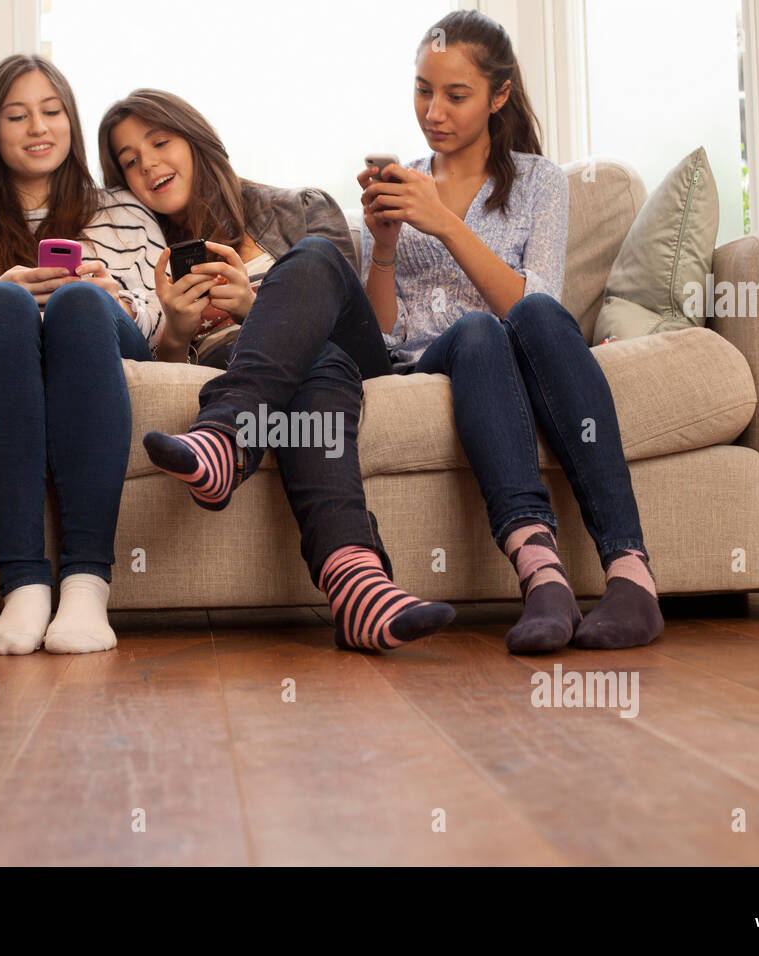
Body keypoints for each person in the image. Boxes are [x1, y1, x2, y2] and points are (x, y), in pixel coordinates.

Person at [132, 9, 664, 655]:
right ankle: (229, 436)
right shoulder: (404, 183)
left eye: (455, 95)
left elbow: (536, 309)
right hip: (398, 363)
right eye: (422, 89)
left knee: (484, 329)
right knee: (318, 259)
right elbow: (383, 332)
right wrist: (382, 248)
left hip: (492, 349)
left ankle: (615, 575)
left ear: (498, 97)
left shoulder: (538, 184)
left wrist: (443, 223)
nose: (433, 111)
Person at [99, 90, 456, 652]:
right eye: (128, 160)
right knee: (319, 364)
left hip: (355, 357)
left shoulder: (300, 208)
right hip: (287, 370)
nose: (147, 164)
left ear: (195, 140)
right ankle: (359, 586)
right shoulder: (139, 246)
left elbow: (336, 303)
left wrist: (251, 308)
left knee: (314, 256)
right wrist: (174, 332)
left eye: (159, 142)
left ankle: (224, 435)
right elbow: (158, 367)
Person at [0, 55, 168, 657]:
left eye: (52, 112)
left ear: (71, 122)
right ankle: (24, 587)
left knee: (79, 299)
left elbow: (161, 325)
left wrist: (117, 300)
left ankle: (85, 585)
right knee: (2, 305)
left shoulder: (124, 211)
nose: (38, 128)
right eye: (17, 116)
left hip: (96, 336)